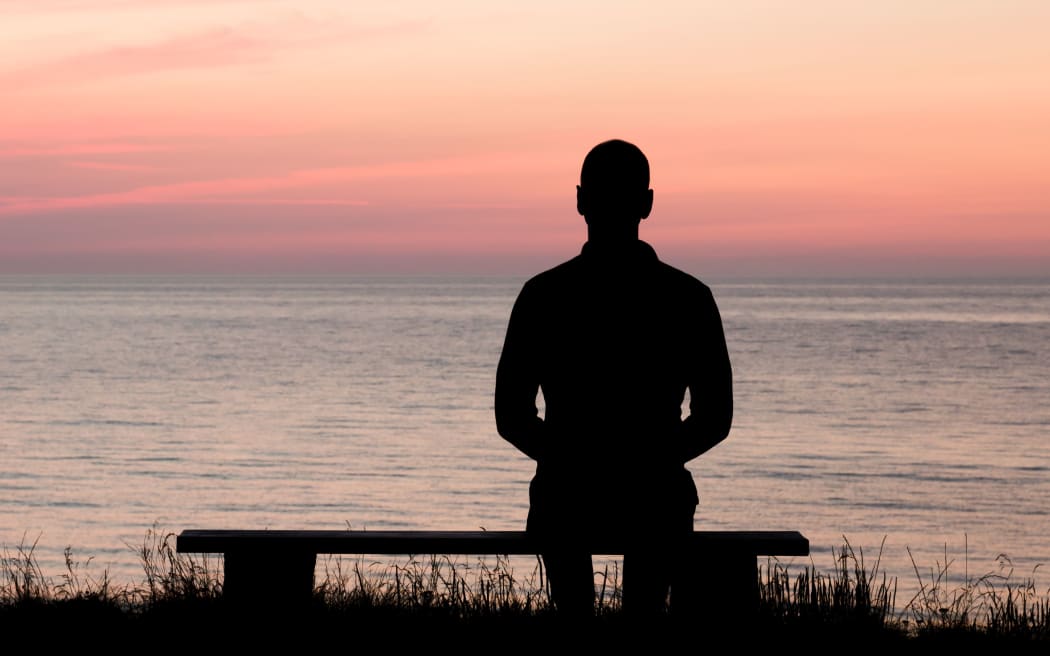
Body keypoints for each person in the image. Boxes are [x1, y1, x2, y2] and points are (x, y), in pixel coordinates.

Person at [494, 139, 734, 620]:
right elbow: (714, 418)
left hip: (566, 493)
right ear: (646, 202)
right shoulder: (688, 298)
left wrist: (567, 454)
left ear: (580, 200)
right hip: (655, 494)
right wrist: (655, 456)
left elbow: (512, 415)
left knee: (574, 612)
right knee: (645, 610)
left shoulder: (543, 296)